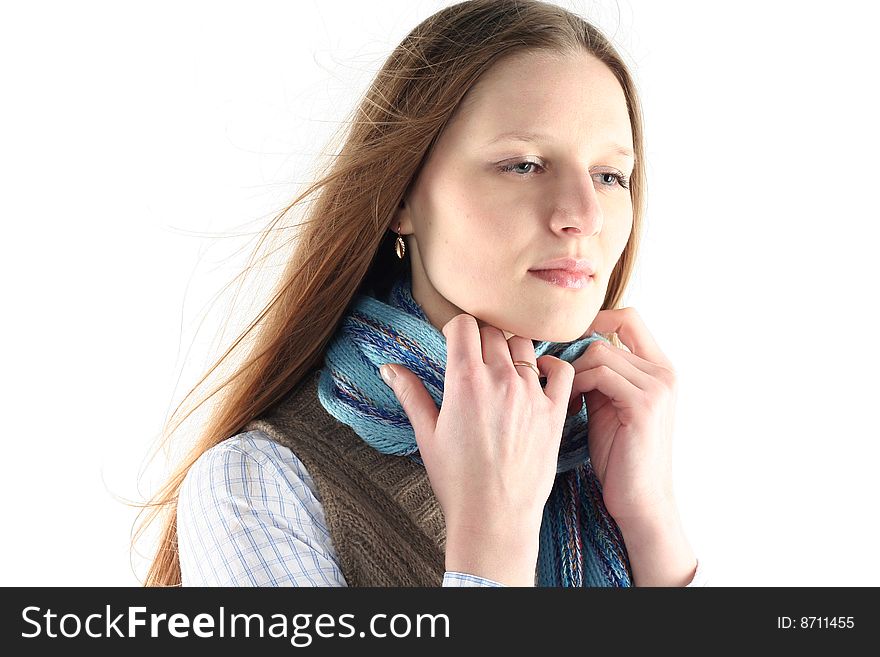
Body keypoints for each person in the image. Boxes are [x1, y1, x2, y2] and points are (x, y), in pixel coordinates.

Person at [134, 0, 710, 587]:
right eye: (524, 164)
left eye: (610, 176)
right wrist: (491, 545)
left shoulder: (609, 444)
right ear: (403, 197)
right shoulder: (257, 485)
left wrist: (652, 526)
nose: (584, 215)